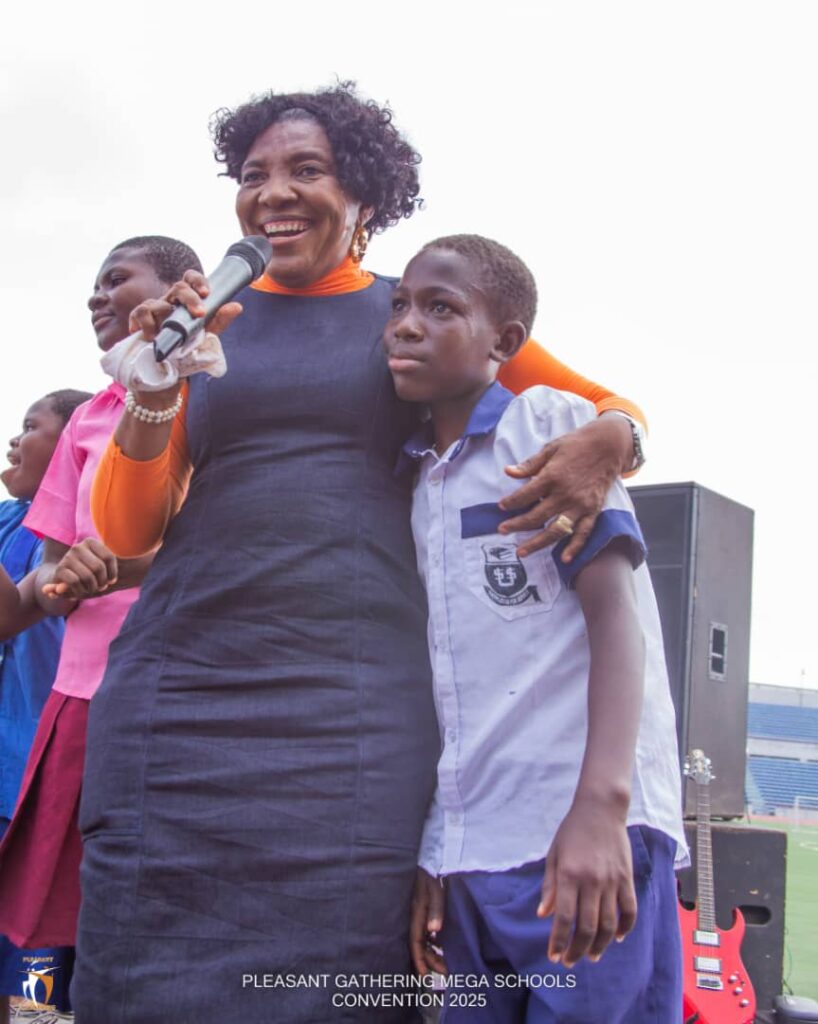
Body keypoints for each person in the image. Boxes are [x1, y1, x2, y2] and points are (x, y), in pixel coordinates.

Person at [82, 83, 649, 1023]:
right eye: (255, 174)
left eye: (307, 170)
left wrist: (616, 439)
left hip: (352, 711)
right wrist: (156, 383)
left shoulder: (417, 313)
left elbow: (607, 407)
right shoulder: (204, 321)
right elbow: (127, 532)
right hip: (182, 697)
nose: (274, 193)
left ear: (365, 197)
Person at [390, 236, 686, 1023]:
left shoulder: (547, 428)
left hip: (580, 837)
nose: (407, 325)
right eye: (400, 306)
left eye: (440, 308)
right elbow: (453, 690)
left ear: (507, 341)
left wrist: (603, 809)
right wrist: (439, 848)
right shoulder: (416, 482)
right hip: (474, 855)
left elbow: (617, 620)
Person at [0, 236, 203, 967]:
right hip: (83, 697)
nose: (97, 296)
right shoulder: (89, 418)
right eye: (92, 283)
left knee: (177, 931)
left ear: (180, 287)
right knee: (89, 941)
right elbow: (40, 590)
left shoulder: (214, 389)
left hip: (187, 694)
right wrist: (68, 578)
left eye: (116, 278)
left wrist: (115, 568)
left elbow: (230, 542)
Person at [0, 389, 91, 1022]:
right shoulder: (11, 519)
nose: (14, 439)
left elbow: (22, 610)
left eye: (30, 427)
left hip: (45, 779)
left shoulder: (84, 536)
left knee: (36, 981)